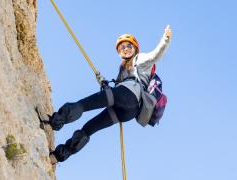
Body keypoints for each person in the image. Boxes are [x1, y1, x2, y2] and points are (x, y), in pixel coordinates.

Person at [47, 25, 172, 164]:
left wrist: (165, 40)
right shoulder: (123, 70)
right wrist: (106, 85)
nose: (125, 48)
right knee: (88, 129)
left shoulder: (140, 59)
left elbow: (156, 55)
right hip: (128, 111)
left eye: (128, 46)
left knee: (84, 104)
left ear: (135, 48)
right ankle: (58, 156)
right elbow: (118, 89)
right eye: (121, 47)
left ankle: (56, 121)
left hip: (127, 96)